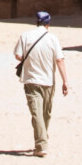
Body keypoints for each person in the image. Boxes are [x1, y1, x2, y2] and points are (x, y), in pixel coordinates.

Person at [14, 11, 69, 156]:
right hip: (48, 82)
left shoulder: (25, 36)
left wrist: (30, 57)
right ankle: (41, 144)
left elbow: (18, 55)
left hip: (31, 80)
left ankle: (42, 139)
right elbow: (59, 60)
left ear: (36, 22)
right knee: (45, 113)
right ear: (48, 24)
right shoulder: (52, 38)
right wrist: (65, 81)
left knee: (38, 114)